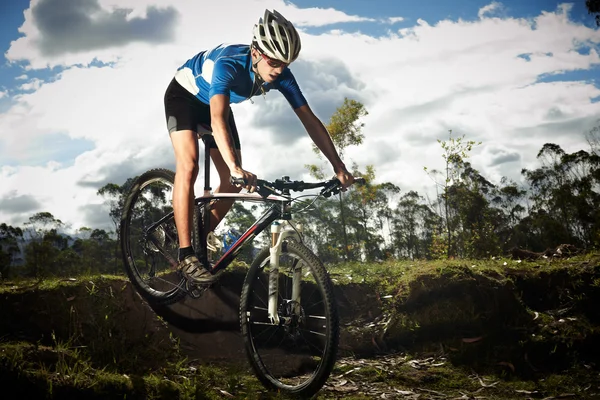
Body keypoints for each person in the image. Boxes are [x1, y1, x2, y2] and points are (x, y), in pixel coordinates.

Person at [164, 9, 355, 283]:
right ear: (256, 52)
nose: (279, 70)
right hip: (185, 97)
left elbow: (310, 121)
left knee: (230, 185)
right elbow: (218, 119)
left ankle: (193, 233)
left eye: (285, 64)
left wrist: (339, 166)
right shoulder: (228, 64)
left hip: (215, 106)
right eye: (274, 62)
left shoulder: (282, 76)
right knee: (190, 164)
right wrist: (234, 166)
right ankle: (186, 256)